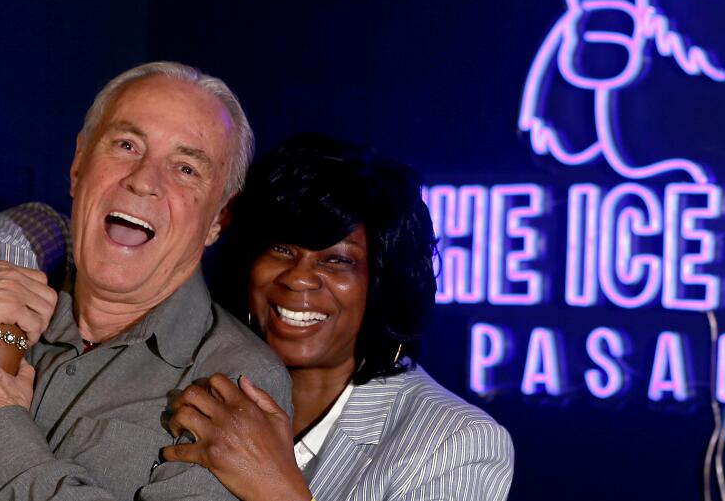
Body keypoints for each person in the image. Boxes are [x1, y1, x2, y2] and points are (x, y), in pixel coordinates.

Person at [0, 61, 291, 500]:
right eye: (126, 145)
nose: (143, 180)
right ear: (77, 165)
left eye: (185, 168)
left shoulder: (236, 378)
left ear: (219, 218)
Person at [160, 133, 514, 501]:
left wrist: (276, 489)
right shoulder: (190, 380)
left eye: (337, 260)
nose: (298, 277)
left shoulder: (456, 443)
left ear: (381, 284)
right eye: (281, 248)